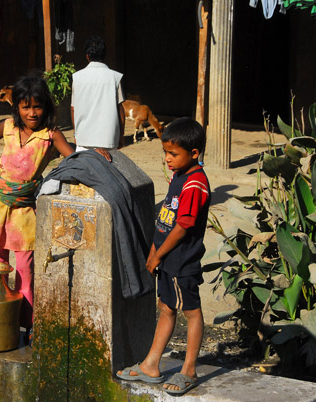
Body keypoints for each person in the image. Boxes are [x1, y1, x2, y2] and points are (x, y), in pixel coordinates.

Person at [116, 117, 210, 396]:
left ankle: (189, 370)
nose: (167, 159)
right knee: (166, 308)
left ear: (194, 154)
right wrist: (156, 252)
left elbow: (182, 227)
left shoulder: (195, 184)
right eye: (165, 153)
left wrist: (159, 254)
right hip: (168, 258)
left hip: (182, 261)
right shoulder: (180, 175)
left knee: (191, 312)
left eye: (173, 154)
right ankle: (151, 364)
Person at [0, 74, 75, 335]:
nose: (32, 113)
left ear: (46, 107)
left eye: (37, 107)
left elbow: (73, 157)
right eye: (26, 107)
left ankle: (27, 321)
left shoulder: (51, 135)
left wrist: (95, 153)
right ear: (17, 108)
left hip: (24, 207)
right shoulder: (8, 125)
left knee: (25, 265)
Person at [70, 35, 125, 162]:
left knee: (84, 176)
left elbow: (73, 109)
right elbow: (120, 109)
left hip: (84, 139)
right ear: (104, 55)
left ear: (87, 56)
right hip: (108, 139)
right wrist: (121, 136)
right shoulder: (114, 77)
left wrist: (76, 134)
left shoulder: (77, 77)